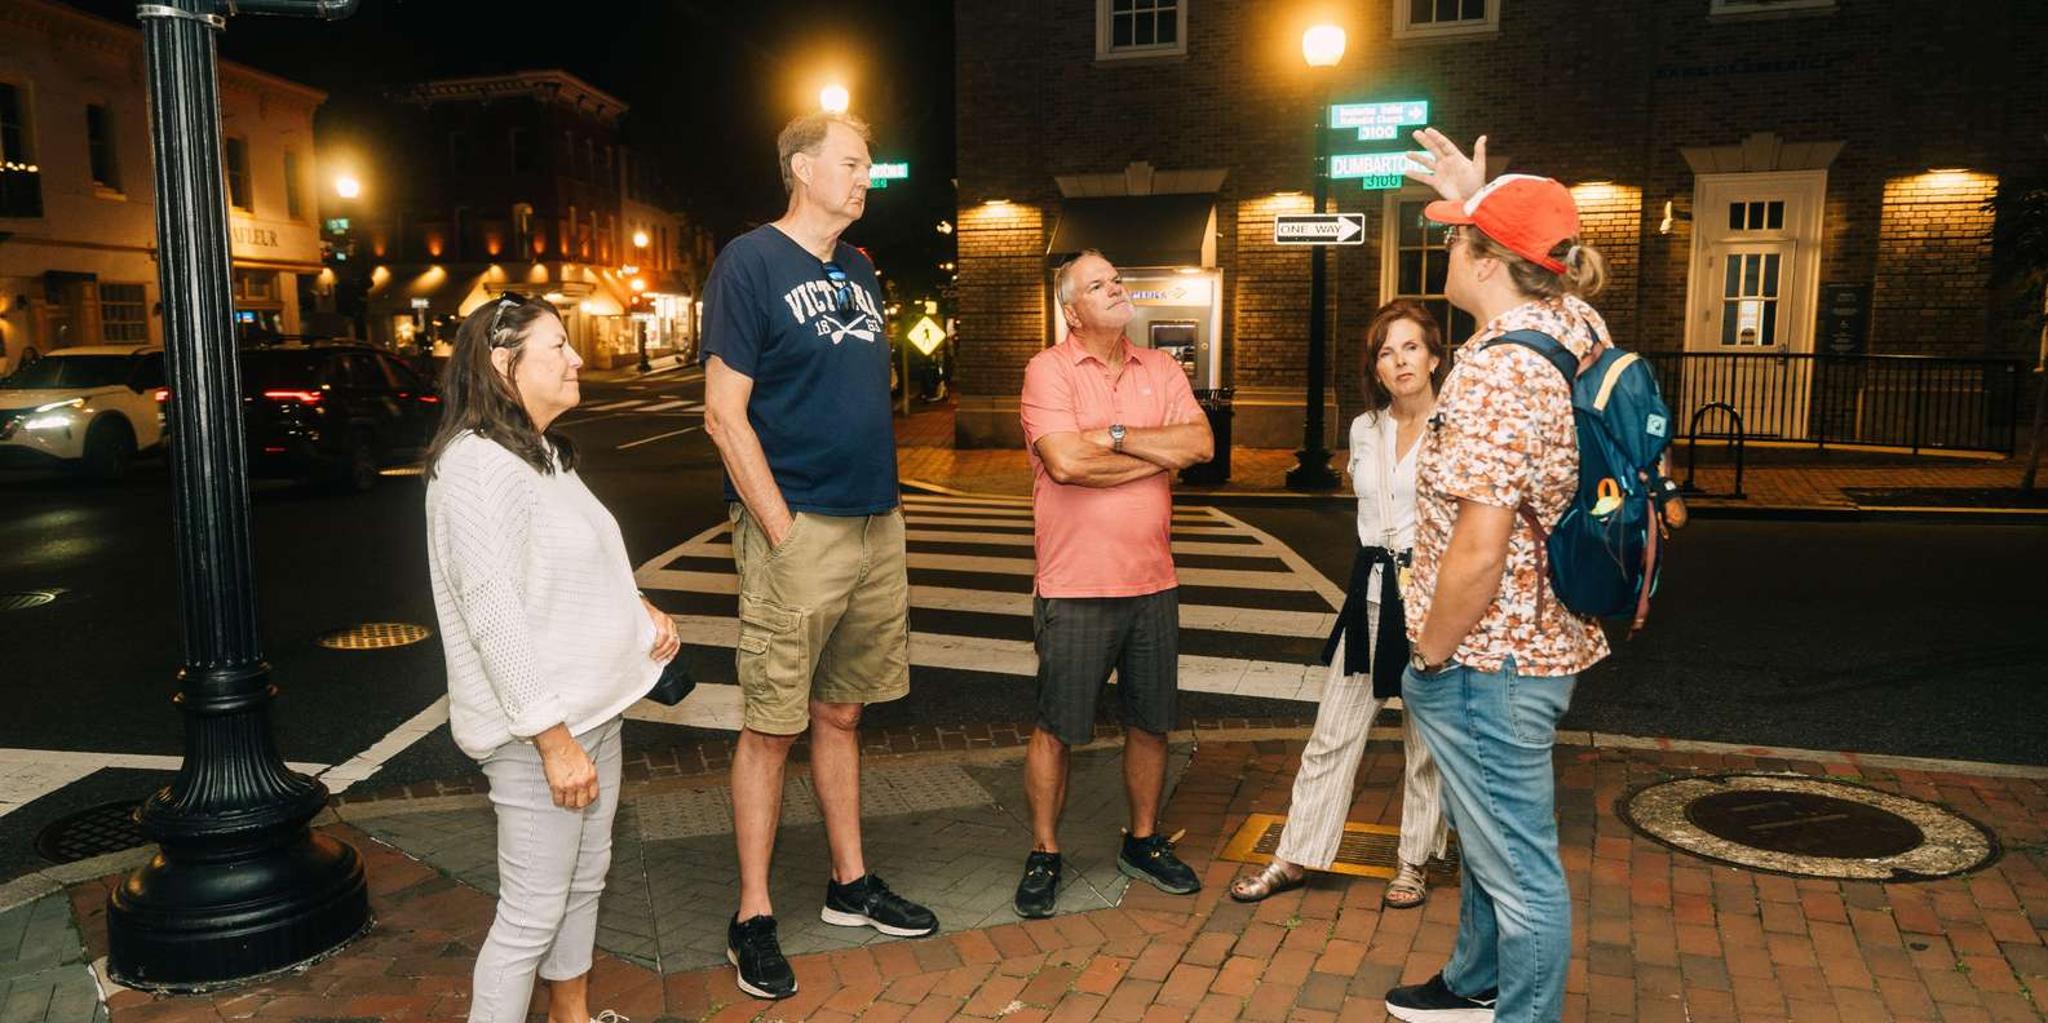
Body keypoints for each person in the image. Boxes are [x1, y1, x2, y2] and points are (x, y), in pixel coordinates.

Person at [699, 110, 937, 1001]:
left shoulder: (860, 269)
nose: (865, 177)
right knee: (772, 724)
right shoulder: (750, 262)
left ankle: (849, 883)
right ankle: (751, 914)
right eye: (850, 162)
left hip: (877, 522)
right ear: (800, 167)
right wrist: (781, 527)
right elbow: (725, 413)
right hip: (796, 528)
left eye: (869, 165)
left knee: (842, 715)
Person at [1380, 131, 1613, 1023]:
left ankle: (1521, 1012)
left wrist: (1429, 655)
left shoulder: (1497, 371)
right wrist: (1487, 200)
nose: (1443, 244)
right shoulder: (1569, 326)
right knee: (1487, 840)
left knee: (1520, 865)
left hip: (1487, 656)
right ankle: (1473, 983)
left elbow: (1479, 547)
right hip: (1536, 637)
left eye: (1455, 233)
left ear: (1485, 257)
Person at [423, 293, 681, 1023]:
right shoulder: (475, 469)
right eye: (557, 346)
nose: (576, 358)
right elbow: (493, 609)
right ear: (505, 364)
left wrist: (640, 612)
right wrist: (553, 740)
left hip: (592, 714)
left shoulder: (539, 455)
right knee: (530, 914)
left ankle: (572, 1017)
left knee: (582, 882)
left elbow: (577, 564)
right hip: (540, 736)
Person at [1012, 249, 1215, 919]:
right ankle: (1045, 850)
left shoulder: (1159, 367)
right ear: (1073, 310)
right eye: (1099, 285)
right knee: (1057, 727)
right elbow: (1066, 462)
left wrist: (1118, 435)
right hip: (1074, 584)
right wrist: (1152, 459)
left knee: (1151, 723)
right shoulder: (1049, 369)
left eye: (1117, 279)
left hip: (1152, 581)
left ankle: (1144, 839)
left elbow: (1202, 446)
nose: (1116, 288)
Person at [1228, 300, 1449, 910]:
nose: (1400, 361)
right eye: (1386, 351)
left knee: (1425, 744)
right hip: (1370, 600)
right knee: (1332, 734)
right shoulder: (1363, 429)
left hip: (1433, 603)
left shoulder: (1455, 426)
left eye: (1410, 347)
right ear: (1375, 368)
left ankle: (1412, 863)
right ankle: (1296, 853)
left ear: (1433, 356)